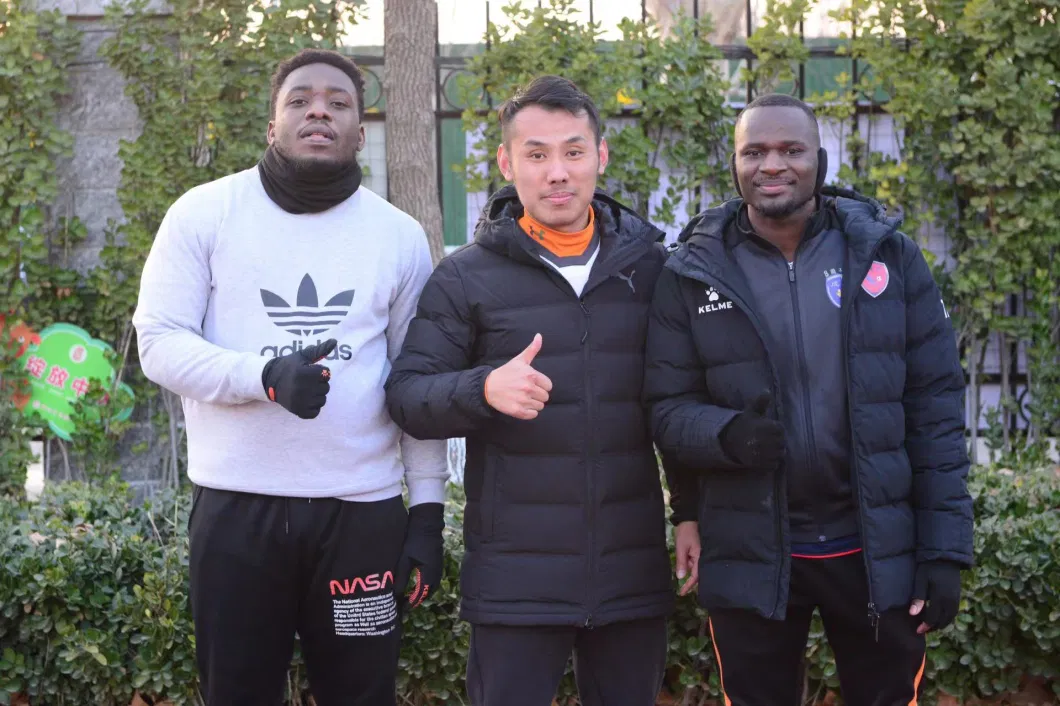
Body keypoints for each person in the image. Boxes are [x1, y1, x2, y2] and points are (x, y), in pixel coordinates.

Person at [132, 48, 449, 706]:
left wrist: (425, 511)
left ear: (362, 134)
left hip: (361, 516)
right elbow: (158, 343)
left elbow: (417, 384)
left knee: (361, 697)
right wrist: (263, 377)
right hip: (236, 510)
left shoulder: (398, 237)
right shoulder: (202, 214)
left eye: (339, 103)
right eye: (300, 99)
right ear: (271, 125)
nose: (319, 111)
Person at [643, 93, 973, 705]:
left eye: (791, 150)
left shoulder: (888, 257)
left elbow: (936, 409)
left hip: (876, 549)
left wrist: (946, 548)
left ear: (818, 159)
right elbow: (665, 408)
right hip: (753, 546)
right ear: (735, 163)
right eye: (755, 151)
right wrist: (727, 435)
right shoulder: (690, 272)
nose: (773, 165)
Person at [384, 75, 674, 706]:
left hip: (630, 571)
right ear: (507, 162)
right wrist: (483, 388)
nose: (557, 173)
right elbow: (407, 396)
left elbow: (680, 406)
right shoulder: (466, 276)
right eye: (536, 155)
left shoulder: (651, 269)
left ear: (601, 156)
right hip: (515, 582)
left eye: (573, 151)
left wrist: (697, 512)